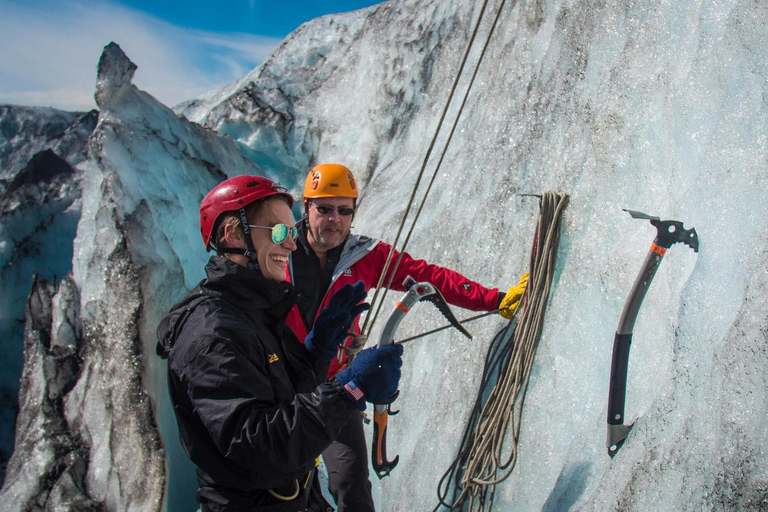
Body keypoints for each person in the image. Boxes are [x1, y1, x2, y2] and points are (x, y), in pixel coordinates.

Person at [286, 163, 528, 511]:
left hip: (334, 388)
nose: (333, 219)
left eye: (344, 210)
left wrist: (492, 299)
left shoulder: (366, 257)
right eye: (324, 209)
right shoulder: (279, 255)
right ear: (306, 207)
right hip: (279, 385)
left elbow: (428, 277)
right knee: (285, 484)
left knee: (352, 484)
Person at [156, 175, 404, 511]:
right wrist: (350, 391)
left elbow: (283, 399)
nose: (291, 244)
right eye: (278, 232)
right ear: (233, 236)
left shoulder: (252, 310)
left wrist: (317, 356)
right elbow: (257, 446)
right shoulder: (211, 334)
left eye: (290, 231)